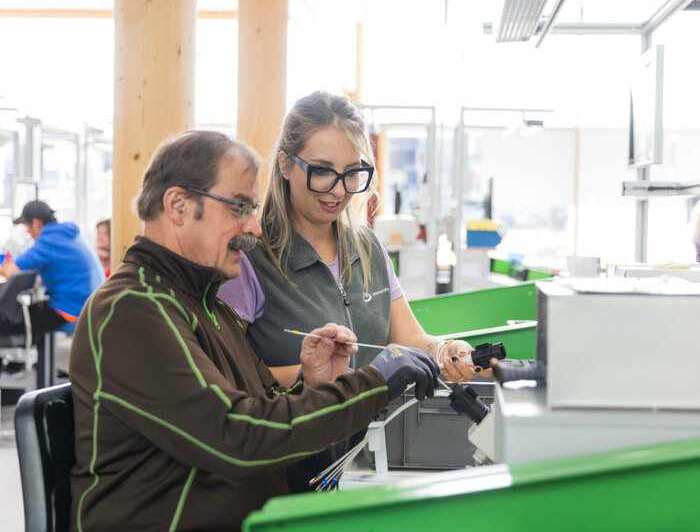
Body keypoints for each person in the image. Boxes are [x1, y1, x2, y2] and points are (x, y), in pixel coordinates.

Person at [68, 130, 440, 531]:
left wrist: (313, 384)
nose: (254, 228)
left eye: (254, 209)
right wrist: (372, 383)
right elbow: (235, 437)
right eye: (239, 209)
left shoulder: (208, 307)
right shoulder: (132, 310)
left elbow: (261, 405)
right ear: (177, 205)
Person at [217, 90, 483, 491]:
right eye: (322, 170)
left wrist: (442, 350)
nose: (339, 190)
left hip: (346, 467)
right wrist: (354, 377)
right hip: (277, 476)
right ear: (286, 164)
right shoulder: (251, 260)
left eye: (353, 173)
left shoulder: (367, 247)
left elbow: (408, 337)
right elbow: (229, 382)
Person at [0, 200, 104, 339]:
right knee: (27, 314)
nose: (28, 232)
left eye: (27, 227)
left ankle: (20, 360)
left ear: (36, 223)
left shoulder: (48, 240)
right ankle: (35, 359)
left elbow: (11, 271)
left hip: (72, 309)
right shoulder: (66, 234)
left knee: (9, 323)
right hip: (89, 306)